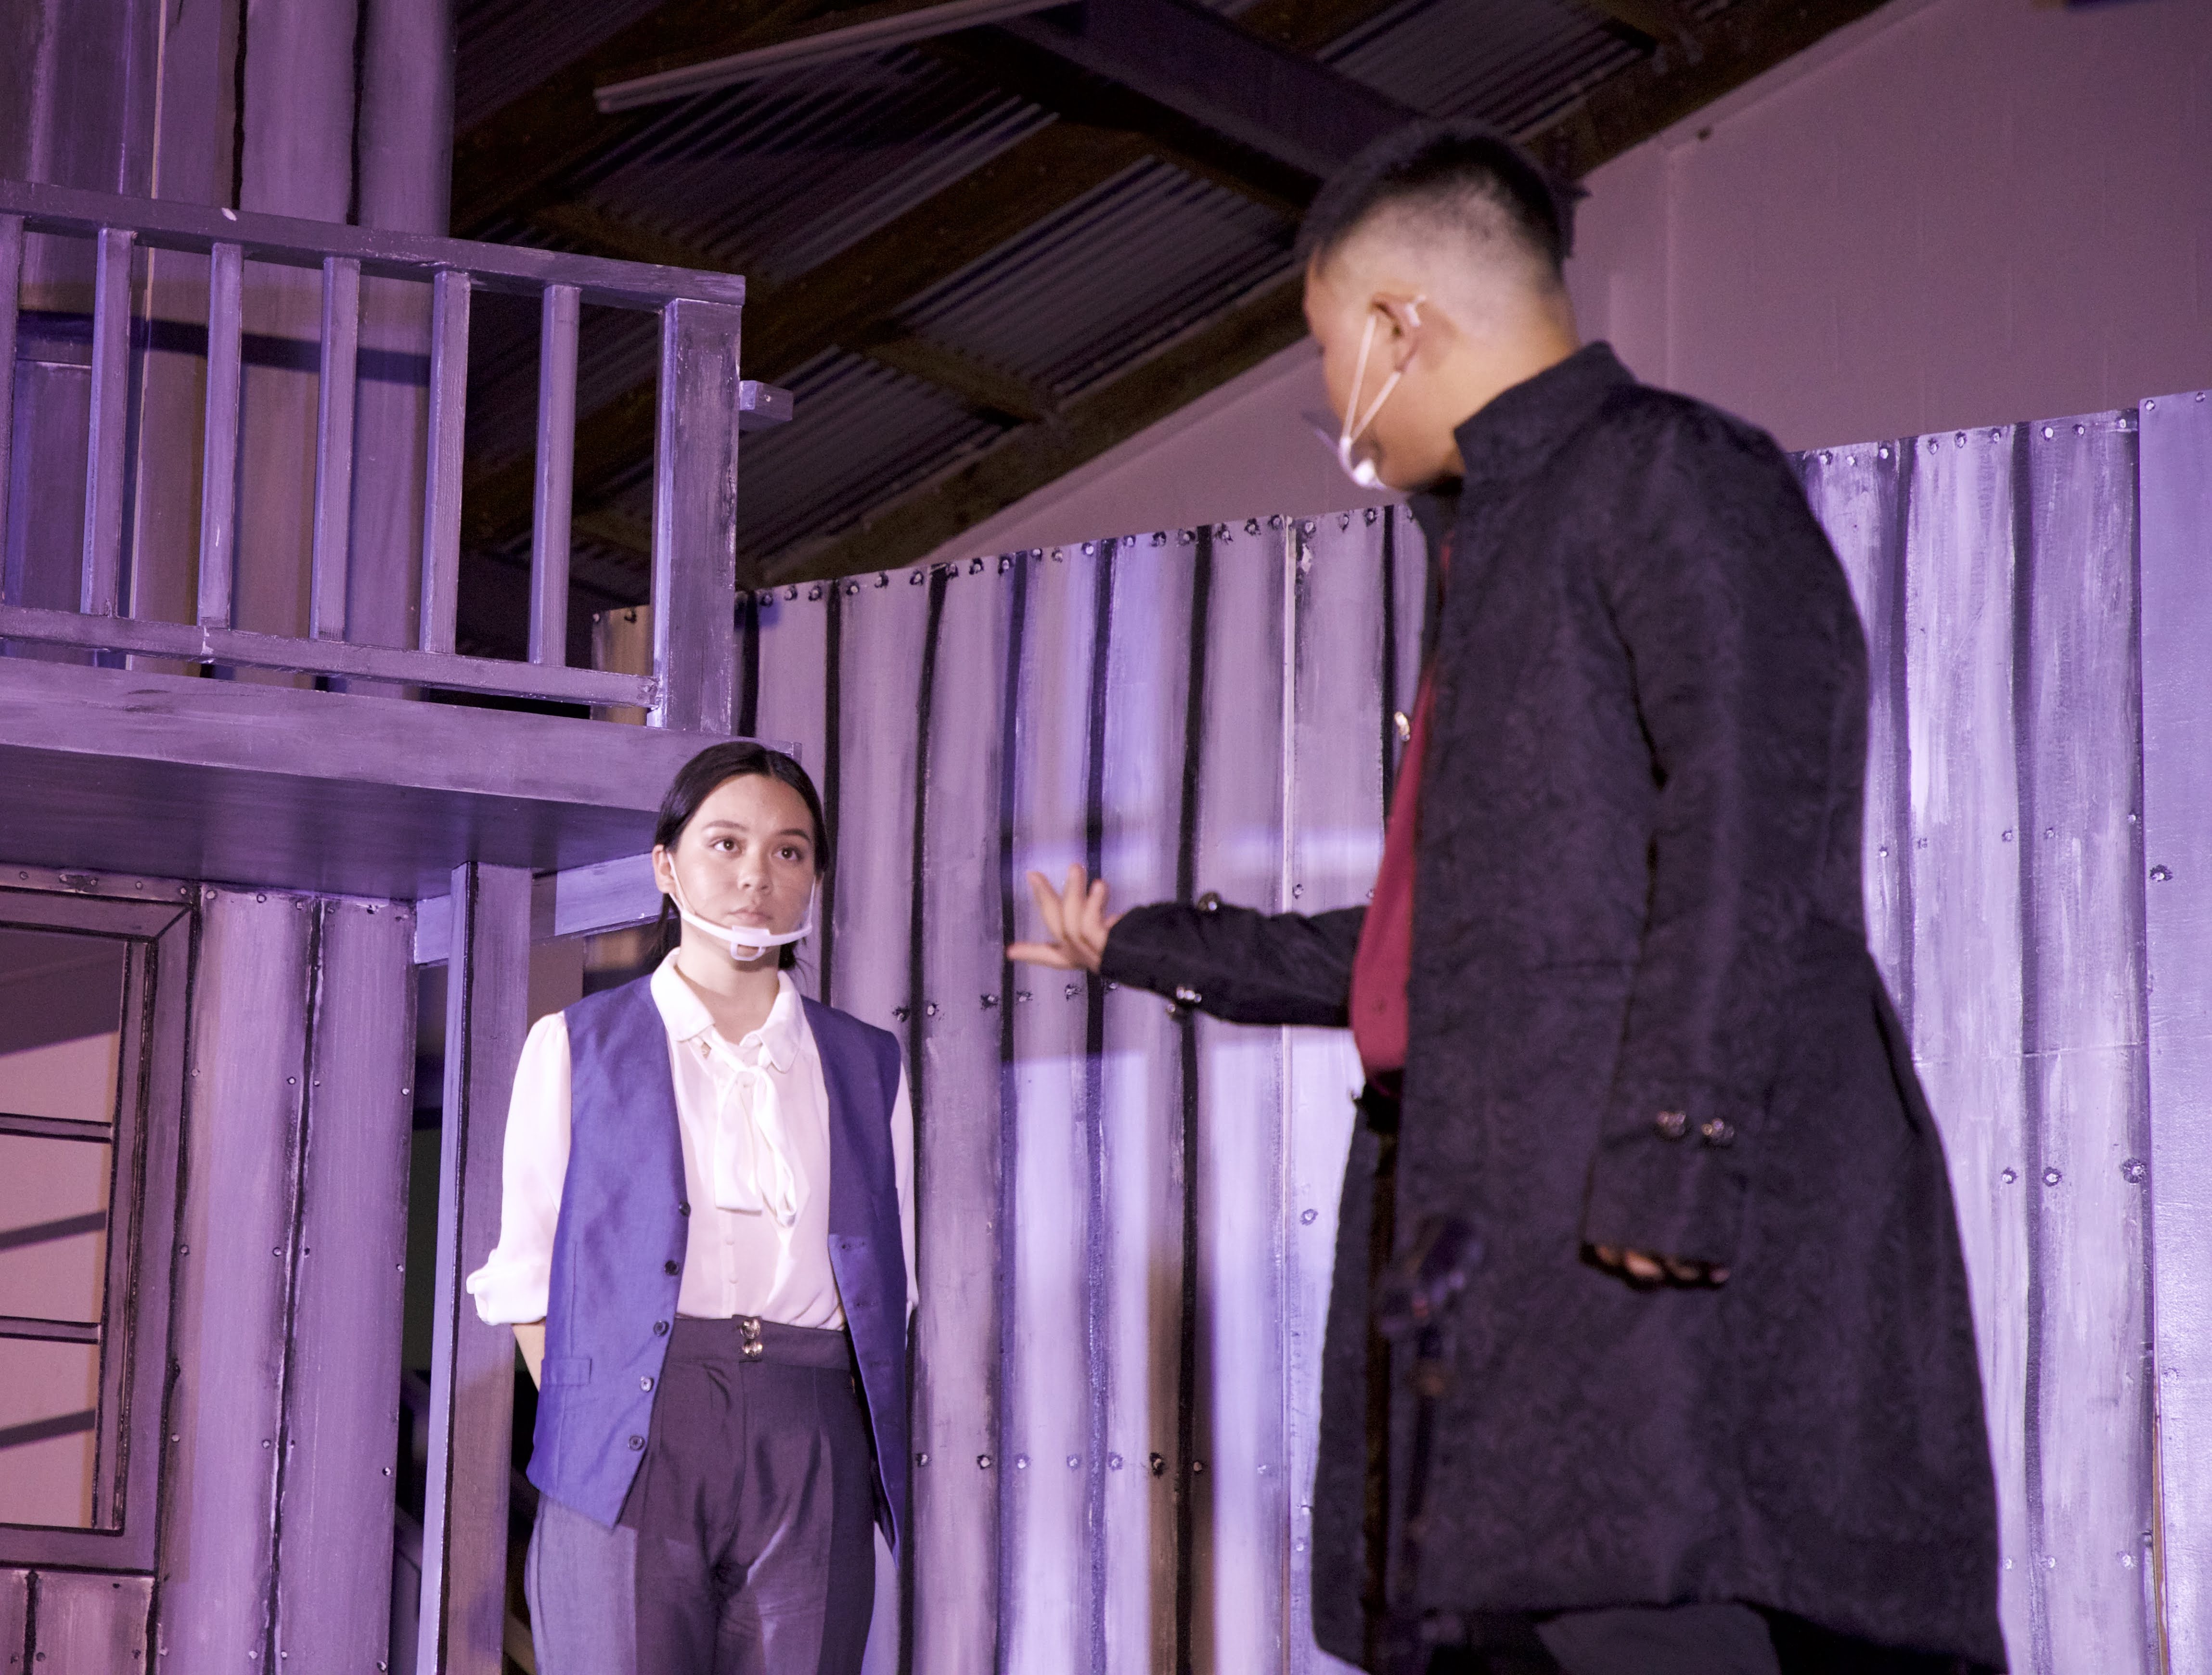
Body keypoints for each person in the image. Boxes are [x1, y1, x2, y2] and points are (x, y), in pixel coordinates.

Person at [1010, 123, 2003, 1675]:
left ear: (1400, 325)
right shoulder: (1497, 546)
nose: (1333, 397)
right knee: (1528, 1620)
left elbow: (1751, 813)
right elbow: (1435, 949)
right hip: (1505, 1270)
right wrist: (1134, 941)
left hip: (1633, 1280)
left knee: (1657, 1608)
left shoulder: (1660, 472)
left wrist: (1676, 1156)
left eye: (1330, 348)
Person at [467, 742, 913, 1675]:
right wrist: (614, 1417)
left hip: (813, 1425)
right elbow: (525, 1275)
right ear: (667, 865)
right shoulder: (574, 1046)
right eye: (727, 843)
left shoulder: (870, 1065)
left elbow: (887, 1287)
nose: (758, 873)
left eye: (791, 852)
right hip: (633, 1428)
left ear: (816, 879)